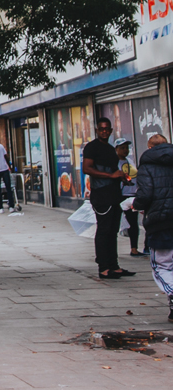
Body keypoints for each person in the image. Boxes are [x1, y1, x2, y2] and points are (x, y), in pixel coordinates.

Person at [82, 118, 133, 279]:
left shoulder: (111, 149)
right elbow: (87, 168)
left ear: (111, 131)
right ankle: (103, 267)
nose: (104, 131)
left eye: (107, 129)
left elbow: (113, 171)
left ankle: (113, 265)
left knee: (112, 230)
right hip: (101, 195)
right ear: (97, 130)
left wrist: (120, 177)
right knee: (103, 230)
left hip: (113, 195)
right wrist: (110, 175)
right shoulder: (92, 147)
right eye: (101, 129)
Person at [133, 132, 173, 322]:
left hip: (161, 222)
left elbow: (145, 194)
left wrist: (136, 204)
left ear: (149, 148)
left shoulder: (147, 165)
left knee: (162, 266)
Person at [114, 140, 145, 257]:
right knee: (116, 223)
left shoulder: (130, 162)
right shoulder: (114, 164)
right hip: (119, 196)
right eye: (122, 148)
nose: (125, 150)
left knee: (133, 223)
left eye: (126, 148)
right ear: (116, 149)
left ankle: (134, 249)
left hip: (131, 195)